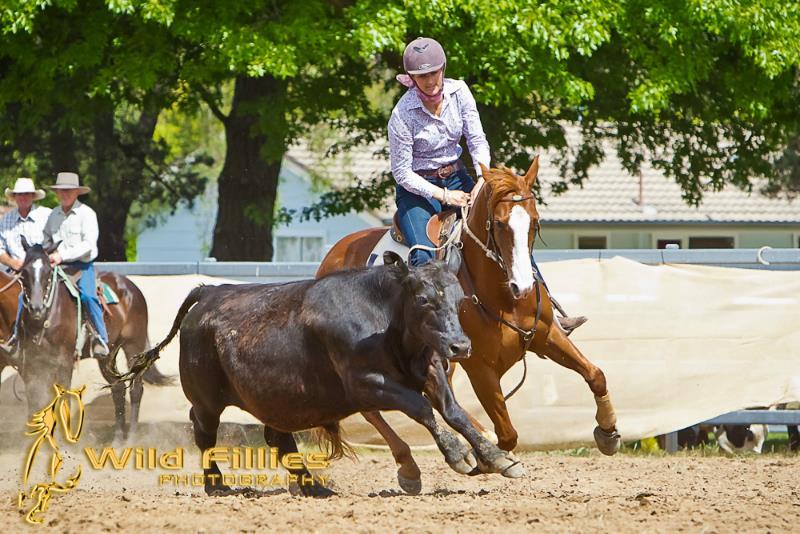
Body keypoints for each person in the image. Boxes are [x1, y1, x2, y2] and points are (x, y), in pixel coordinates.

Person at [388, 36, 586, 333]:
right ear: (411, 79)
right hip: (418, 188)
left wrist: (483, 178)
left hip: (458, 175)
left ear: (443, 69)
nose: (429, 81)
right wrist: (445, 195)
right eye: (421, 76)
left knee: (508, 228)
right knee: (422, 255)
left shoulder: (460, 92)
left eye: (433, 73)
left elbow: (477, 140)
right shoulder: (401, 114)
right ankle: (422, 331)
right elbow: (402, 173)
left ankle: (551, 313)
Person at [40, 172, 109, 356]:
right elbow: (46, 239)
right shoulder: (53, 214)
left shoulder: (87, 214)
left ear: (77, 192)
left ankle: (100, 338)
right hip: (57, 268)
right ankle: (24, 336)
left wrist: (61, 255)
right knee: (34, 293)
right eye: (61, 191)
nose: (64, 194)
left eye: (68, 190)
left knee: (88, 296)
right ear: (57, 193)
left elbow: (88, 245)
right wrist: (46, 252)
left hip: (82, 267)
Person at [0, 178, 52, 356]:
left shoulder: (46, 216)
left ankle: (22, 337)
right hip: (13, 271)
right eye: (19, 194)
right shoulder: (6, 220)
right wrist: (12, 262)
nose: (23, 197)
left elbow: (55, 241)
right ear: (15, 197)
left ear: (32, 196)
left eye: (27, 194)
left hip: (39, 271)